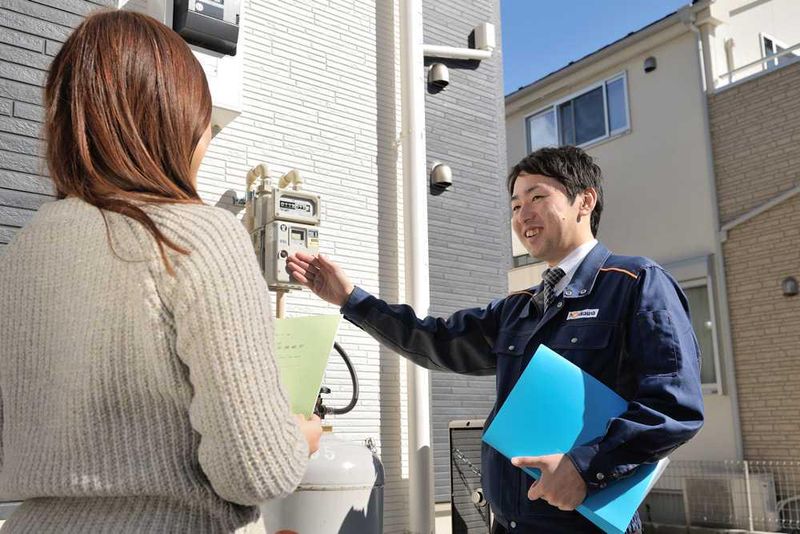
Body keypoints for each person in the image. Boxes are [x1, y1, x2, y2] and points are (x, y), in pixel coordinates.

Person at [0, 10, 321, 533]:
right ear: (172, 124)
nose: (207, 142)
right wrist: (296, 438)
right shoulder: (196, 235)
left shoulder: (21, 254)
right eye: (206, 125)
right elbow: (255, 470)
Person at [286, 145, 704, 533]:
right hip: (508, 521)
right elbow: (436, 339)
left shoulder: (635, 283)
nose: (523, 215)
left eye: (537, 198)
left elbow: (673, 407)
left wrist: (584, 468)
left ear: (585, 201)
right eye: (516, 205)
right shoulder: (519, 307)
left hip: (583, 522)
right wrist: (352, 300)